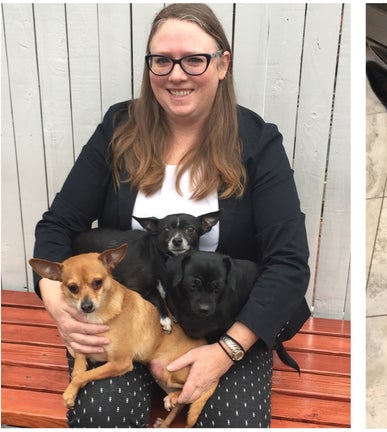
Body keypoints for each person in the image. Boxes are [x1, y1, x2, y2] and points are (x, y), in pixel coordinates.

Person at [32, 3, 310, 427]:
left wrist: (227, 351)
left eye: (194, 59)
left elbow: (288, 262)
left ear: (223, 65)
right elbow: (58, 227)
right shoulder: (119, 129)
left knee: (232, 422)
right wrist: (60, 308)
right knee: (99, 414)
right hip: (122, 322)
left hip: (222, 329)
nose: (176, 74)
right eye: (162, 60)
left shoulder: (256, 143)